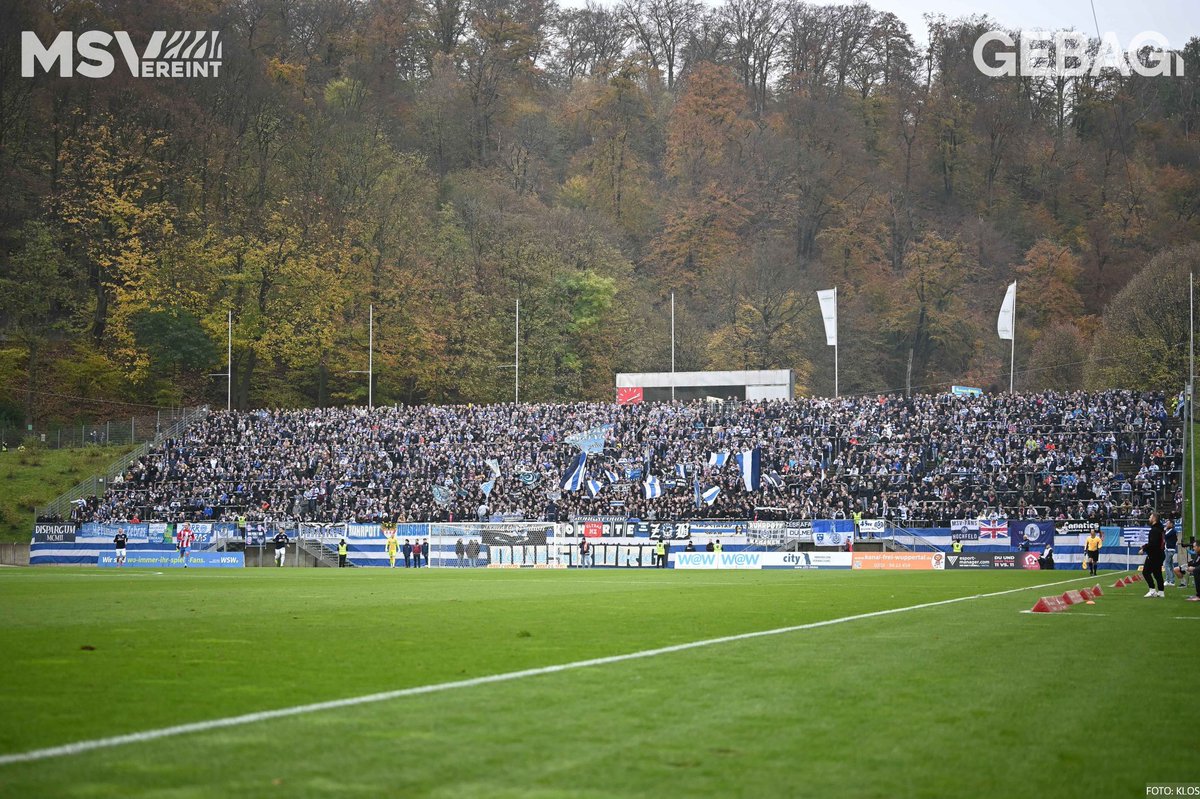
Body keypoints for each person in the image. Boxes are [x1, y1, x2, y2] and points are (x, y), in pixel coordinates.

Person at [1140, 511, 1166, 598]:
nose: (1149, 518)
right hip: (1160, 554)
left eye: (1150, 517)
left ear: (1154, 518)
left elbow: (1153, 544)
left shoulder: (1154, 530)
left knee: (1146, 572)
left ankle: (1152, 590)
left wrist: (1144, 548)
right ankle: (1161, 591)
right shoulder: (1160, 529)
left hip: (1154, 555)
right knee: (1157, 573)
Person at [1163, 518, 1178, 586]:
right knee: (1170, 565)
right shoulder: (1172, 531)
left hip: (1169, 550)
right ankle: (1172, 581)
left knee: (1166, 565)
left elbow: (1165, 536)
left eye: (1168, 523)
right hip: (1170, 549)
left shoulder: (1172, 531)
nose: (1166, 524)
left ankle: (1168, 580)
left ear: (1171, 524)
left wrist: (1164, 530)